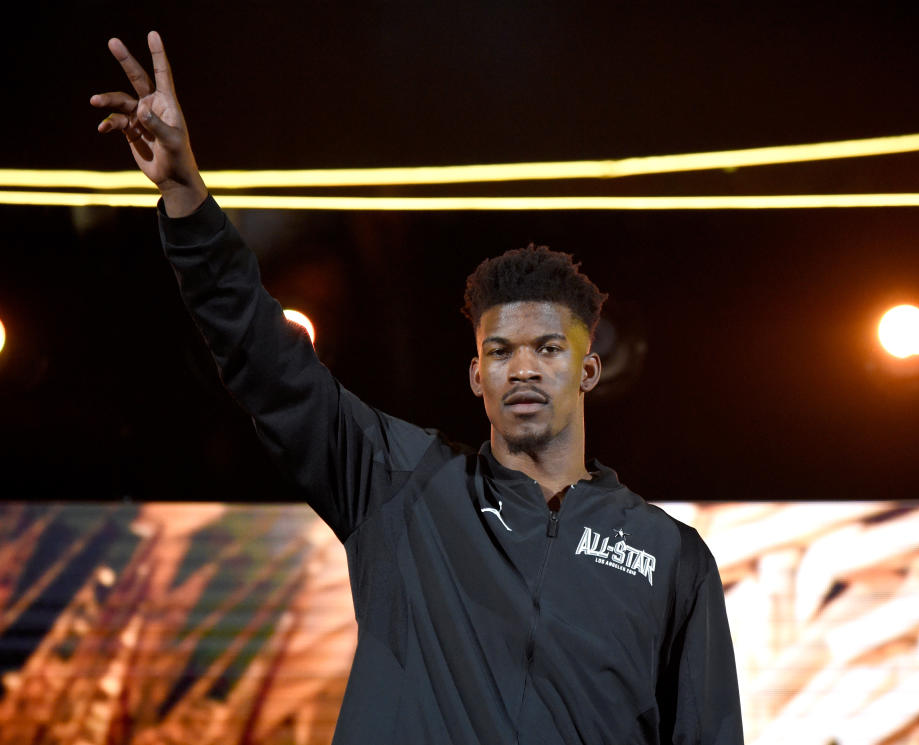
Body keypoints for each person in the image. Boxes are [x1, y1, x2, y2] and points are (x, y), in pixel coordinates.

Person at [91, 32, 744, 745]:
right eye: (499, 351)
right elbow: (267, 363)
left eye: (546, 349)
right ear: (475, 374)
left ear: (587, 369)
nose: (521, 368)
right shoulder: (398, 486)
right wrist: (187, 196)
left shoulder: (670, 555)